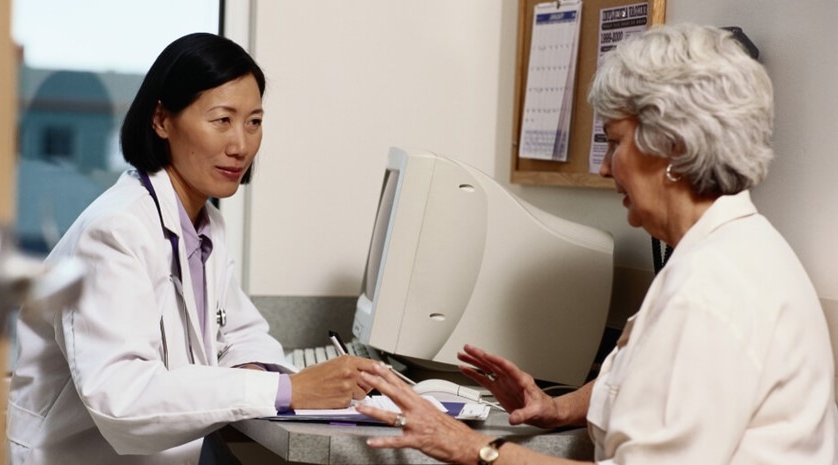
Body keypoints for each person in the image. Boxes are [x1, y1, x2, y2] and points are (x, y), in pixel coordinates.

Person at [355, 23, 838, 464]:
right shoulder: (726, 252)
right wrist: (555, 407)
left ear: (673, 143)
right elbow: (652, 382)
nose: (605, 167)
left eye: (614, 140)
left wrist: (474, 448)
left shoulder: (711, 290)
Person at [6, 33, 376, 464]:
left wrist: (253, 371)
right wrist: (286, 390)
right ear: (161, 120)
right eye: (222, 120)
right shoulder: (115, 230)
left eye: (254, 121)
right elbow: (122, 398)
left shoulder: (204, 225)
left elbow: (241, 332)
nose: (240, 145)